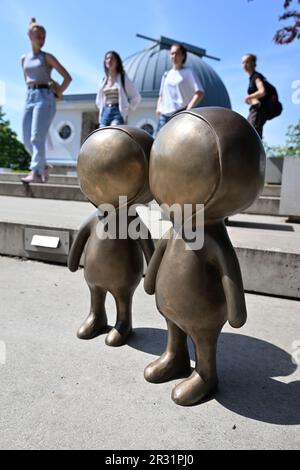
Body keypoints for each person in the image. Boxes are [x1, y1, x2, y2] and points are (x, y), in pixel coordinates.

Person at [21, 18, 72, 183]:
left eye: (44, 37)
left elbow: (67, 77)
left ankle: (35, 172)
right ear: (30, 36)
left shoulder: (47, 57)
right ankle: (42, 165)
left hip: (45, 97)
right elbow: (27, 79)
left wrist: (57, 93)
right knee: (26, 137)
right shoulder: (24, 59)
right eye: (38, 36)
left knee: (37, 136)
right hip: (30, 97)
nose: (41, 40)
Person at [156, 43, 205, 133]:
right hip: (164, 115)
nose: (174, 56)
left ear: (183, 56)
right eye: (172, 53)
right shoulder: (166, 75)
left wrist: (189, 108)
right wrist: (158, 108)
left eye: (177, 53)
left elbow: (199, 92)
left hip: (180, 113)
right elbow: (161, 95)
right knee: (157, 143)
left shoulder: (189, 72)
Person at [96, 51, 141, 128]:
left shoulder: (123, 78)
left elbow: (136, 97)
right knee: (102, 132)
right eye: (107, 58)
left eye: (112, 58)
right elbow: (98, 100)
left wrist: (126, 108)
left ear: (117, 62)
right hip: (105, 112)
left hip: (117, 111)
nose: (109, 60)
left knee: (114, 131)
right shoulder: (104, 80)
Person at [242, 53, 267, 139]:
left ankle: (256, 152)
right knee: (249, 131)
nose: (244, 64)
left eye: (247, 62)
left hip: (257, 110)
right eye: (243, 62)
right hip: (255, 110)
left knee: (252, 133)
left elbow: (262, 91)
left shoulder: (256, 77)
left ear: (254, 63)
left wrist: (248, 97)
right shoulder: (252, 78)